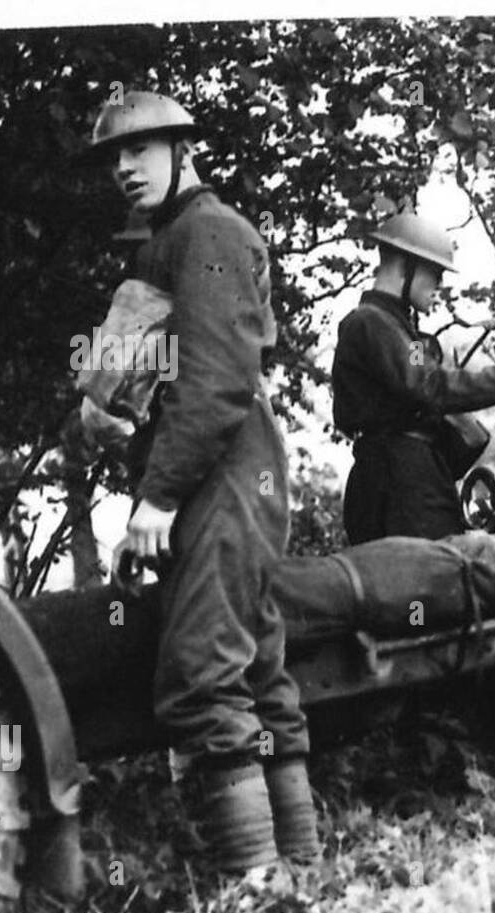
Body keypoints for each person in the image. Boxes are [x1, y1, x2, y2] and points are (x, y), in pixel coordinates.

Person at [82, 90, 318, 871]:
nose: (124, 166)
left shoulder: (209, 232)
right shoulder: (164, 243)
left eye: (142, 149)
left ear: (185, 152)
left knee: (200, 674)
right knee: (254, 667)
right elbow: (140, 386)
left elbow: (216, 379)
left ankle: (258, 881)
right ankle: (299, 868)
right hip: (213, 477)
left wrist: (159, 496)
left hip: (224, 474)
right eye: (116, 155)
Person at [332, 213, 495, 544]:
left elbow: (427, 377)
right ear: (406, 266)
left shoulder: (401, 332)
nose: (438, 285)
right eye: (434, 273)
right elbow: (429, 386)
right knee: (424, 583)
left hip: (412, 476)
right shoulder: (370, 323)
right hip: (398, 484)